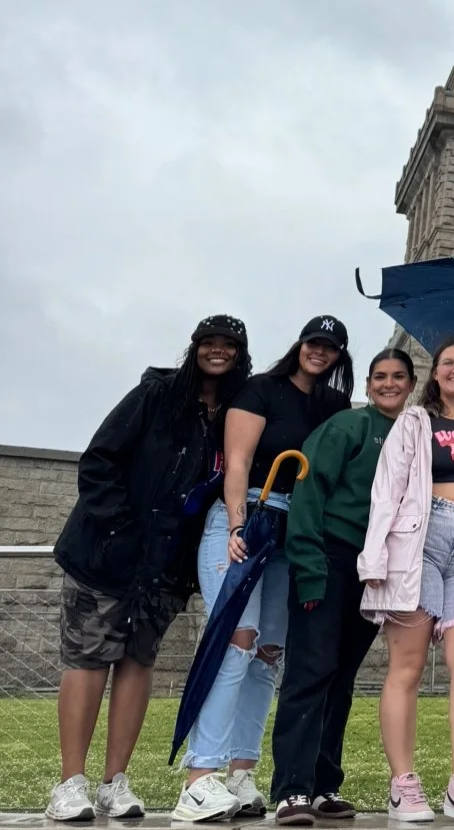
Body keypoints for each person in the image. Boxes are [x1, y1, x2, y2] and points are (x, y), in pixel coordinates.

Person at [47, 316, 250, 822]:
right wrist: (121, 530)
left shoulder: (233, 414)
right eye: (210, 343)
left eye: (229, 345)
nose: (218, 351)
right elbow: (99, 460)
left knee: (138, 664)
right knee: (89, 658)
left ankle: (115, 783)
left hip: (164, 567)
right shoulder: (155, 396)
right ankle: (69, 783)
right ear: (195, 348)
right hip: (106, 555)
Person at [176, 316, 353, 823]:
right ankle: (199, 777)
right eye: (313, 343)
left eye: (330, 347)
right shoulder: (261, 390)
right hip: (247, 518)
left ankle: (240, 771)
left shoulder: (333, 406)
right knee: (237, 640)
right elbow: (237, 462)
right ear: (300, 345)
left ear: (339, 355)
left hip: (293, 528)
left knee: (269, 653)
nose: (319, 352)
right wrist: (236, 526)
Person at [360, 335, 454, 827]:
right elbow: (387, 490)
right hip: (420, 541)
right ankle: (403, 785)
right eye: (449, 363)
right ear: (436, 373)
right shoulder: (415, 421)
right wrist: (374, 557)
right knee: (407, 663)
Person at [270, 349, 418, 825]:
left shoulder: (417, 436)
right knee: (309, 672)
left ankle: (322, 783)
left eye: (399, 376)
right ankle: (291, 788)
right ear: (369, 385)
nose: (389, 384)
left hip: (376, 570)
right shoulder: (348, 428)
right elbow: (309, 494)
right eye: (380, 377)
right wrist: (310, 567)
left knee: (341, 678)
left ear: (412, 384)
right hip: (330, 558)